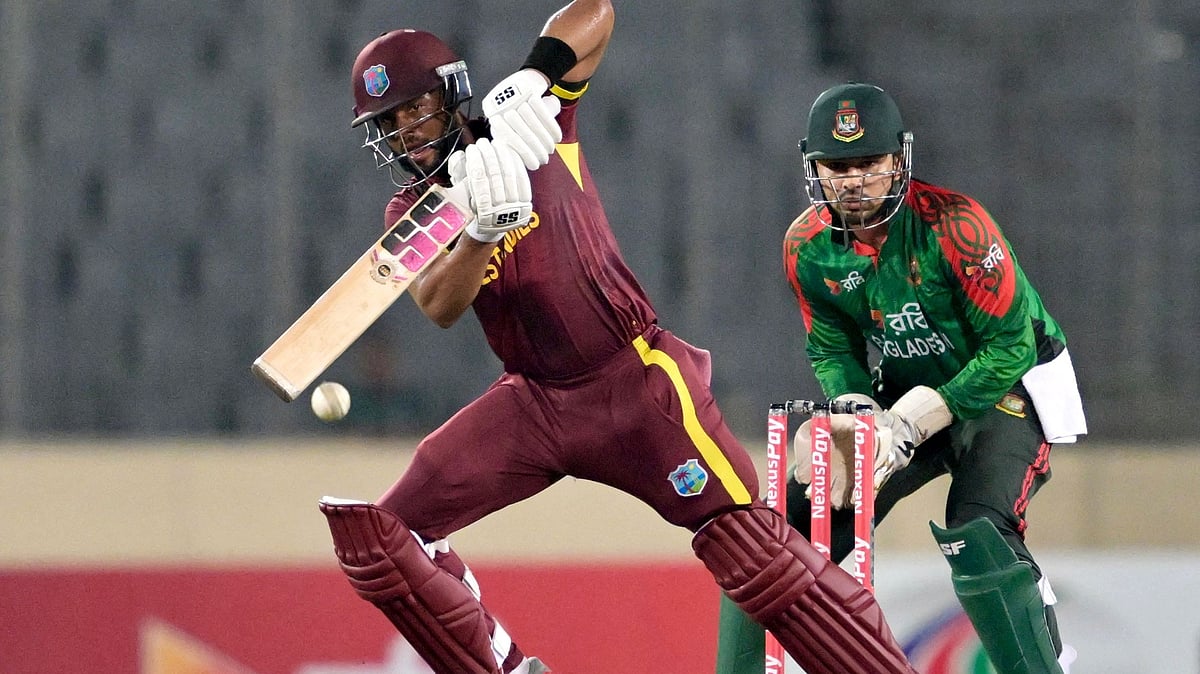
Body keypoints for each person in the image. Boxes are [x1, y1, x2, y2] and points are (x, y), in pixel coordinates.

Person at [315, 5, 918, 674]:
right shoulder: (415, 208)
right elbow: (438, 302)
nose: (405, 133)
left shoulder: (530, 127)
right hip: (535, 404)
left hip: (635, 381)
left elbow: (593, 14)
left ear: (451, 92)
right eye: (388, 124)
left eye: (414, 110)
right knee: (381, 540)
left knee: (751, 550)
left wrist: (535, 77)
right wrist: (481, 228)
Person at [715, 81, 1088, 674]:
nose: (853, 180)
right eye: (837, 166)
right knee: (778, 535)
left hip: (1003, 389)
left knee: (979, 532)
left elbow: (1010, 346)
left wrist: (916, 420)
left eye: (868, 163)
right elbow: (833, 347)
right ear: (815, 169)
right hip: (895, 400)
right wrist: (856, 414)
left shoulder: (958, 227)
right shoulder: (807, 248)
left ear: (899, 163)